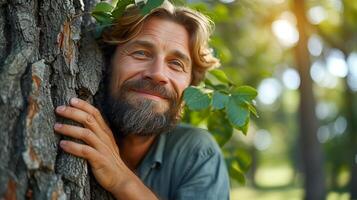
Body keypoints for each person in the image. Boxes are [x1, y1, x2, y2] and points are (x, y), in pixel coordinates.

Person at [54, 1, 230, 199]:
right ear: (106, 64)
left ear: (189, 87)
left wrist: (122, 180)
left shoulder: (197, 153)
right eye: (141, 53)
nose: (157, 74)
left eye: (176, 64)